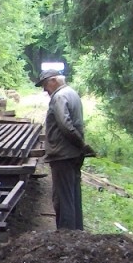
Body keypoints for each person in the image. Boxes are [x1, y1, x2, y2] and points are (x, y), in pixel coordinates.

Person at [36, 68, 94, 231]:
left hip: (63, 155)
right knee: (73, 196)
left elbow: (66, 126)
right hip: (72, 154)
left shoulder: (59, 96)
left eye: (45, 85)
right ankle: (77, 233)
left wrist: (81, 145)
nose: (44, 90)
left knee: (63, 199)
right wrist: (81, 147)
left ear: (53, 80)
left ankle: (66, 237)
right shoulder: (72, 93)